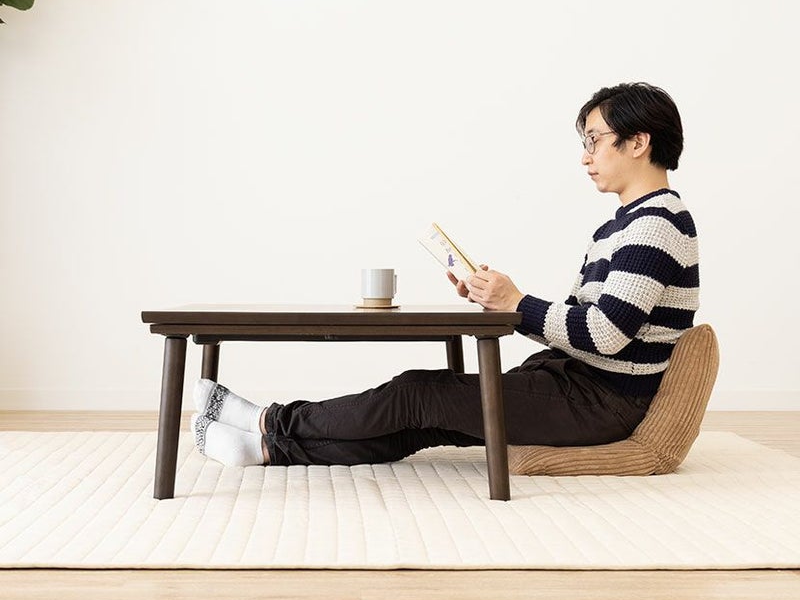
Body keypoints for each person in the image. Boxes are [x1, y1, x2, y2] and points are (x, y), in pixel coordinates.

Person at [190, 82, 699, 468]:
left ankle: (268, 419)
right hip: (578, 381)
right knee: (425, 419)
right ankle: (266, 450)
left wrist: (517, 302)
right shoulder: (623, 225)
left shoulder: (657, 224)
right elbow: (579, 326)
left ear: (638, 142)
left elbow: (605, 335)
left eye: (595, 140)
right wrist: (498, 300)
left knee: (419, 392)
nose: (586, 156)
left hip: (603, 401)